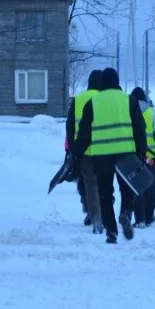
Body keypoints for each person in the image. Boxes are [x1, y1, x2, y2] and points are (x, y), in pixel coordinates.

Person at [71, 68, 147, 244]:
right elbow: (139, 128)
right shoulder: (129, 100)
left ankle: (111, 232)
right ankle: (126, 213)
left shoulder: (92, 102)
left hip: (101, 155)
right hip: (126, 153)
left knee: (105, 193)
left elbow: (84, 133)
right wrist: (141, 151)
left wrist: (76, 154)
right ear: (117, 81)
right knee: (127, 188)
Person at [66, 70, 103, 232]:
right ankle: (102, 214)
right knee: (105, 184)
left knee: (89, 183)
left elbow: (70, 125)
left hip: (84, 150)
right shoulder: (105, 100)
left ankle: (94, 215)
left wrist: (73, 148)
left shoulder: (78, 100)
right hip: (106, 149)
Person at [129, 87, 155, 228]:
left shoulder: (128, 113)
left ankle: (140, 220)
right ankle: (148, 215)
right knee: (150, 187)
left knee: (137, 188)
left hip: (134, 157)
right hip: (152, 159)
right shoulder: (152, 113)